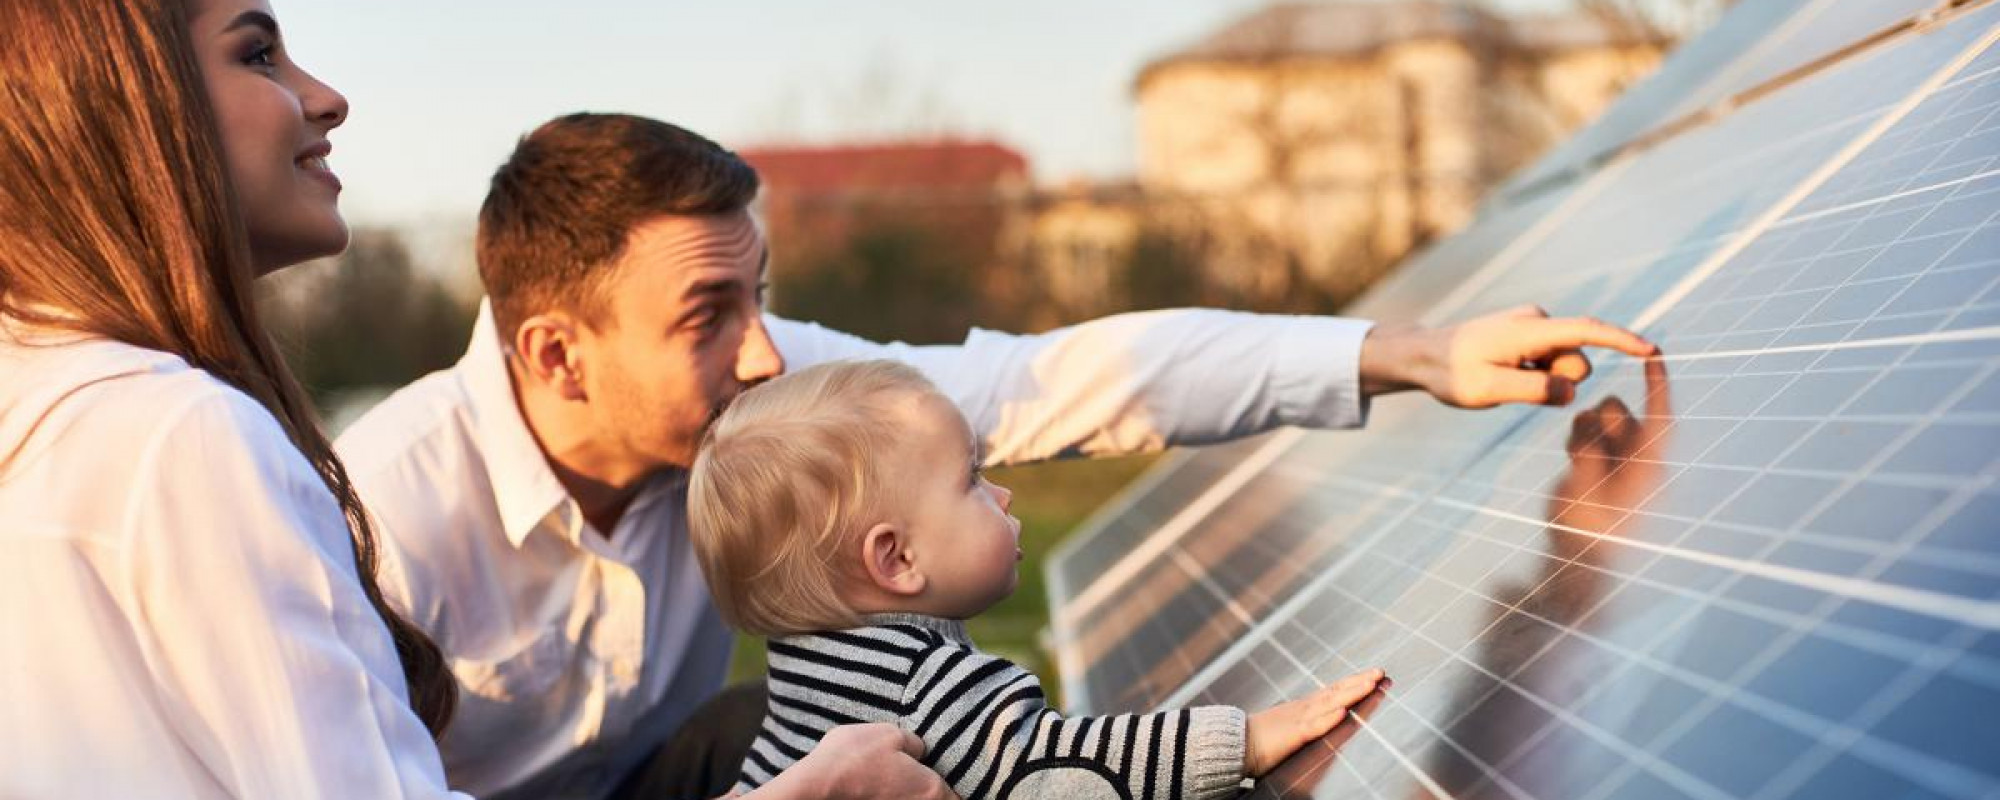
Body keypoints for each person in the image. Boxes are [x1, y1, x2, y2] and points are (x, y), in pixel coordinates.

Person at [336, 111, 1658, 800]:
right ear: (560, 357)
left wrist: (1406, 354)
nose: (762, 355)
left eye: (760, 295)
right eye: (707, 316)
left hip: (686, 780)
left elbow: (1054, 381)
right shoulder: (381, 521)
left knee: (893, 731)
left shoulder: (760, 390)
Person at [0, 0, 463, 796]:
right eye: (257, 56)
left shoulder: (41, 403)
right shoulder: (177, 435)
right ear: (121, 105)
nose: (326, 97)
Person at [690, 359, 1393, 799]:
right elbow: (1063, 772)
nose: (1003, 496)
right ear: (896, 561)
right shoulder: (929, 689)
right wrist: (1247, 739)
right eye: (970, 480)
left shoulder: (806, 668)